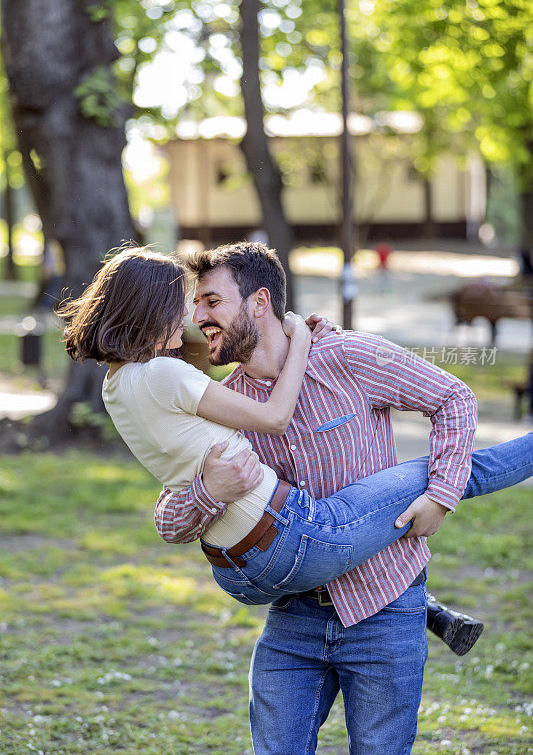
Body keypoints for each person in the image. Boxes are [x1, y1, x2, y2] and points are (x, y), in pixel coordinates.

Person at [59, 245, 532, 755]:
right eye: (194, 304)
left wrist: (441, 496)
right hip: (295, 611)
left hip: (385, 607)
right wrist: (207, 491)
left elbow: (454, 398)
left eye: (212, 302)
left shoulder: (347, 357)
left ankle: (433, 583)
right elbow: (168, 520)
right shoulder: (224, 400)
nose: (198, 317)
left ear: (260, 302)